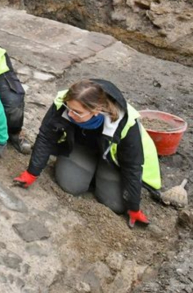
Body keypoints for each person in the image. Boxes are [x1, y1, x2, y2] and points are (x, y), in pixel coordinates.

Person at [13, 79, 161, 227]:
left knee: (116, 204)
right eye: (68, 108)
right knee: (71, 186)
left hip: (113, 161)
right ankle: (90, 172)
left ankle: (98, 174)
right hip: (83, 147)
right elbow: (46, 137)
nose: (70, 114)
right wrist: (32, 172)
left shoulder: (126, 123)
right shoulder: (65, 103)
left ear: (96, 110)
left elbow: (132, 166)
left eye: (77, 112)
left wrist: (134, 206)